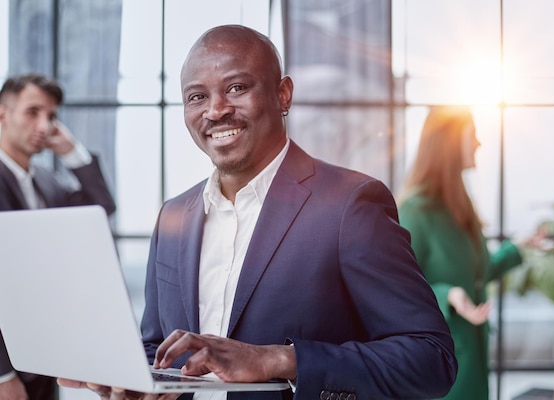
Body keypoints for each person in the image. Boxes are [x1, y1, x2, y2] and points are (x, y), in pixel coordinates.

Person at [58, 24, 457, 400]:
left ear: (283, 94)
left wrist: (277, 359)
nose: (215, 110)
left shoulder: (350, 203)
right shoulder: (174, 216)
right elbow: (157, 346)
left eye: (236, 87)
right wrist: (127, 377)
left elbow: (431, 358)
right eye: (197, 96)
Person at [0, 73, 116, 400]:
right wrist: (2, 374)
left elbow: (101, 206)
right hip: (6, 365)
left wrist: (72, 152)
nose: (45, 126)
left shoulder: (47, 182)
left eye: (51, 116)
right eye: (33, 112)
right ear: (2, 114)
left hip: (43, 360)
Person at [397, 106, 524, 400]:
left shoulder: (460, 206)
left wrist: (519, 247)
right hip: (443, 363)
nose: (479, 143)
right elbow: (401, 292)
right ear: (450, 142)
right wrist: (448, 295)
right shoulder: (415, 210)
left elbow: (482, 270)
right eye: (473, 135)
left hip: (474, 359)